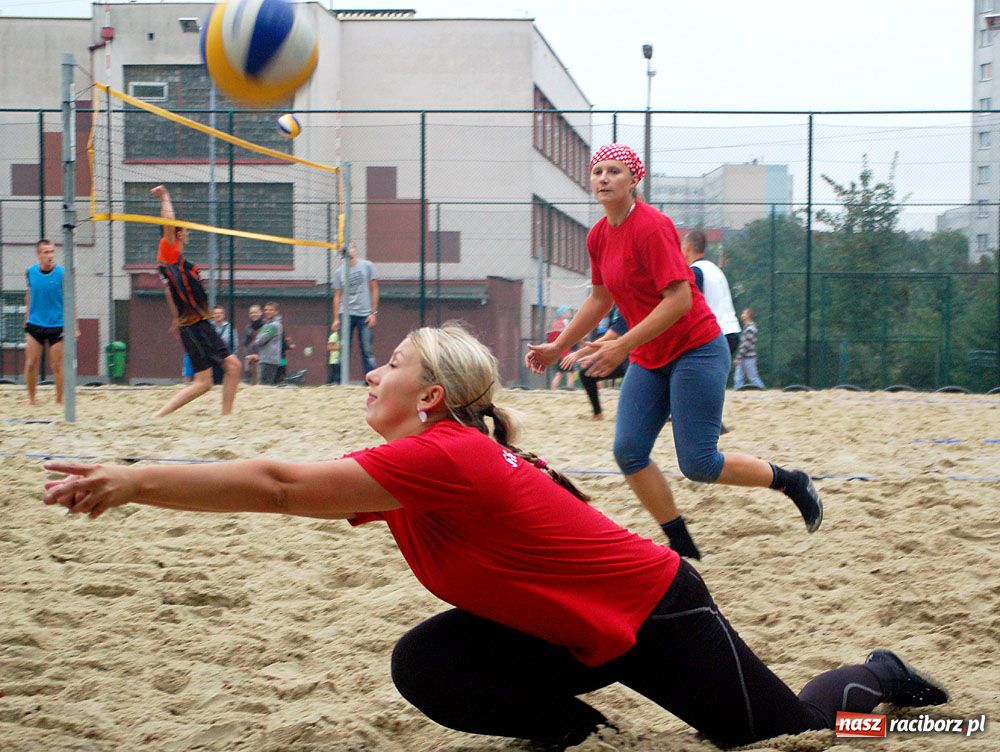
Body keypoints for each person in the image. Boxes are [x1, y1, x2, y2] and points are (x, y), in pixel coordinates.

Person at [41, 324, 950, 752]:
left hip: (656, 613)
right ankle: (577, 734)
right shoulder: (430, 458)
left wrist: (134, 481)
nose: (372, 372)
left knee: (792, 735)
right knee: (428, 663)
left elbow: (279, 488)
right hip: (570, 629)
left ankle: (882, 676)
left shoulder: (446, 454)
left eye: (392, 364)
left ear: (432, 396)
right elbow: (286, 490)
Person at [526, 144, 821, 560]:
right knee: (628, 451)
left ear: (634, 180)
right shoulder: (598, 235)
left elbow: (680, 300)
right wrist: (559, 345)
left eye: (614, 171)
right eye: (598, 172)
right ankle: (682, 545)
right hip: (650, 357)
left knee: (699, 464)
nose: (604, 178)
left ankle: (791, 481)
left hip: (696, 350)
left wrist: (620, 346)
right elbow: (600, 298)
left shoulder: (652, 226)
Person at [151, 185, 241, 417]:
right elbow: (168, 223)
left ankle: (224, 418)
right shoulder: (168, 253)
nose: (188, 233)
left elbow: (169, 292)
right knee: (219, 374)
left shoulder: (176, 262)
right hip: (194, 326)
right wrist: (165, 197)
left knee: (216, 376)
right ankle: (160, 416)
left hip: (195, 324)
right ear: (179, 235)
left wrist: (175, 318)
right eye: (185, 230)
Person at [682, 228, 741, 433]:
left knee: (690, 373)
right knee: (709, 381)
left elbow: (691, 304)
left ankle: (707, 422)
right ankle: (713, 422)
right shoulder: (714, 269)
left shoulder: (696, 271)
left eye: (682, 245)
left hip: (716, 333)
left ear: (688, 247)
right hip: (732, 330)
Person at [23, 239, 76, 405]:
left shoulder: (62, 273)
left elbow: (71, 300)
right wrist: (27, 316)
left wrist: (75, 325)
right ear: (38, 255)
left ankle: (59, 401)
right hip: (35, 323)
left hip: (56, 324)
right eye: (46, 252)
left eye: (52, 251)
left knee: (57, 365)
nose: (50, 255)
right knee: (31, 363)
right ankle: (32, 399)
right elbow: (29, 294)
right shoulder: (31, 272)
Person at [564, 307, 629, 420]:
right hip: (625, 356)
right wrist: (593, 355)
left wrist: (579, 354)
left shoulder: (626, 307)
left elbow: (610, 337)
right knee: (586, 374)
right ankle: (597, 414)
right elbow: (610, 338)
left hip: (641, 358)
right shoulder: (615, 310)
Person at [332, 241, 379, 375]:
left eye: (351, 247)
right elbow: (337, 296)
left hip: (365, 314)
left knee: (367, 350)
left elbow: (374, 289)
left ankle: (370, 380)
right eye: (345, 249)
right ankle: (339, 380)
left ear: (355, 249)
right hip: (346, 314)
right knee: (344, 349)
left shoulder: (367, 266)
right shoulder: (339, 272)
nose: (348, 250)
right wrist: (336, 318)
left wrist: (373, 313)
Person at [249, 301, 284, 385]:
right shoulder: (268, 324)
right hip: (266, 359)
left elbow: (261, 339)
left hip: (269, 360)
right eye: (266, 310)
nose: (267, 312)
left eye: (271, 310)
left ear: (276, 312)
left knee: (265, 385)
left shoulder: (273, 326)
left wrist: (258, 337)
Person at [734, 307, 766, 389]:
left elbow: (746, 345)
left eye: (744, 313)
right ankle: (738, 391)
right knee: (738, 377)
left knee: (753, 377)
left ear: (748, 315)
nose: (742, 315)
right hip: (744, 356)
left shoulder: (750, 328)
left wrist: (739, 356)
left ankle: (762, 390)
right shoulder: (747, 327)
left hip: (749, 357)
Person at [210, 305, 233, 386]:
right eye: (216, 313)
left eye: (220, 313)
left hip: (225, 358)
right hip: (212, 359)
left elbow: (234, 343)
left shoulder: (229, 327)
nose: (218, 315)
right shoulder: (209, 327)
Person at [241, 304, 264, 385]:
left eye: (255, 312)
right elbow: (245, 343)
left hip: (262, 358)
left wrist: (259, 355)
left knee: (260, 382)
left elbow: (267, 341)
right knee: (249, 382)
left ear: (261, 313)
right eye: (251, 313)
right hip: (250, 358)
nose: (253, 314)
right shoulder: (248, 327)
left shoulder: (267, 326)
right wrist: (247, 355)